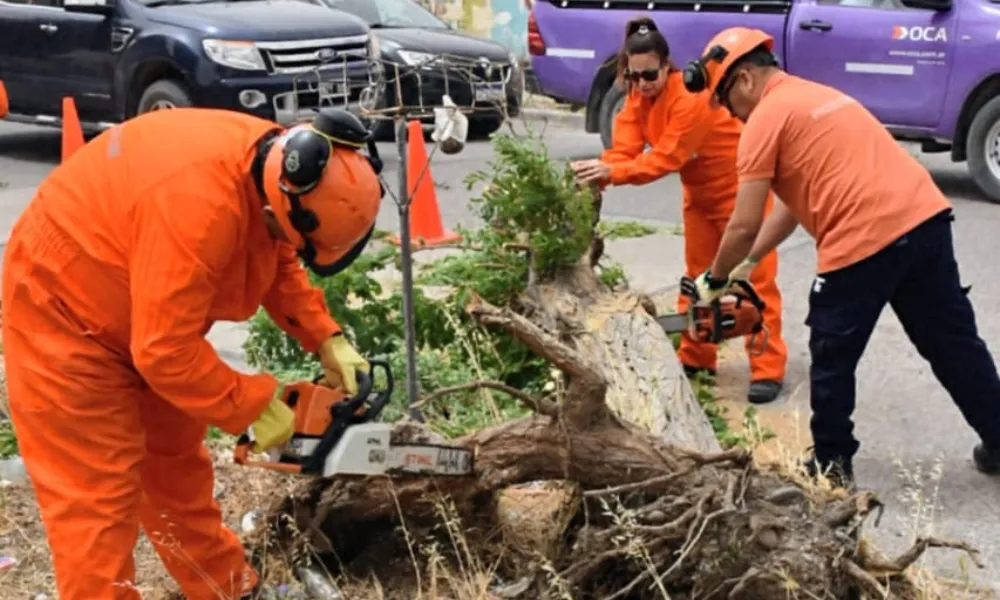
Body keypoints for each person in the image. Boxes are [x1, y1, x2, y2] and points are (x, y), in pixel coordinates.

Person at [0, 106, 385, 599]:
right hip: (61, 310)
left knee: (176, 467)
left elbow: (276, 252)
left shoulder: (277, 166)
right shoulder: (198, 207)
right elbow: (164, 352)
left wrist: (326, 337)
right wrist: (252, 405)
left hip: (146, 306)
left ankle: (227, 589)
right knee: (96, 499)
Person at [684, 26, 1000, 486]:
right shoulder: (816, 96)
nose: (731, 115)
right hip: (924, 218)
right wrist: (748, 264)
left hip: (863, 237)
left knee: (831, 354)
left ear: (745, 79)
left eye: (727, 102)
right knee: (953, 343)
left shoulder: (765, 120)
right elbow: (791, 207)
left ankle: (831, 466)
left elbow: (742, 223)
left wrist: (714, 279)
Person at [570, 16, 787, 404]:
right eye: (634, 76)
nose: (642, 84)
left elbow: (667, 158)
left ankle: (767, 366)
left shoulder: (689, 98)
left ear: (666, 65)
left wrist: (612, 172)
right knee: (697, 279)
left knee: (753, 279)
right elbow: (624, 150)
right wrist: (597, 172)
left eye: (649, 75)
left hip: (740, 192)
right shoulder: (637, 98)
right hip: (699, 198)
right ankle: (697, 356)